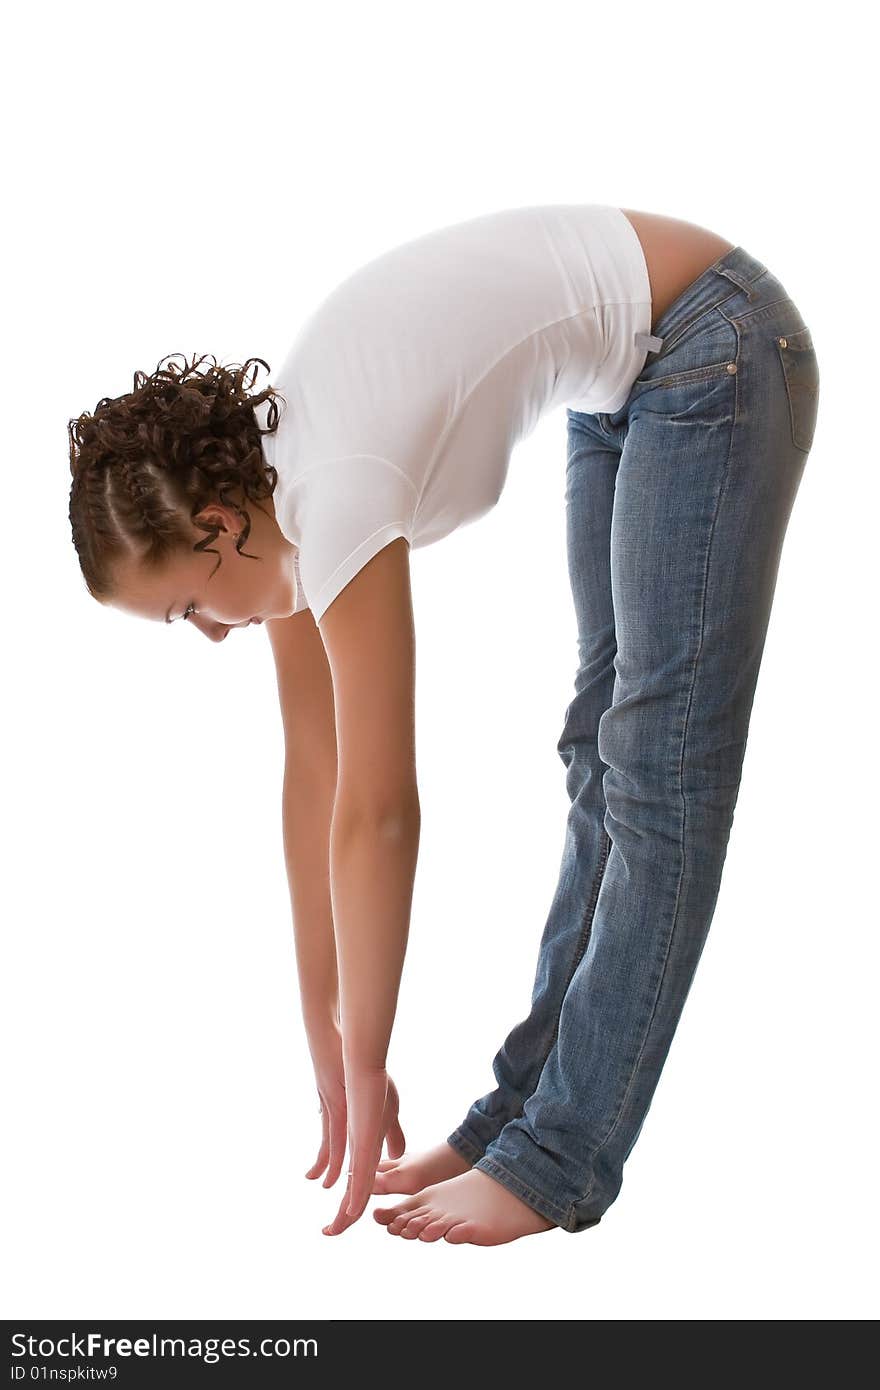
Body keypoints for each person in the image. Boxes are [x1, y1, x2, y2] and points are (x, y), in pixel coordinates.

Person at [67, 204, 820, 1246]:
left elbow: (380, 809)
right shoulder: (271, 502)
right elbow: (317, 776)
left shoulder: (329, 493)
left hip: (714, 341)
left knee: (657, 769)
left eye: (186, 607)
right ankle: (516, 1120)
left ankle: (559, 1157)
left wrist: (370, 1058)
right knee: (599, 753)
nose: (203, 636)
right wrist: (324, 1026)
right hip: (629, 383)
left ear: (216, 527)